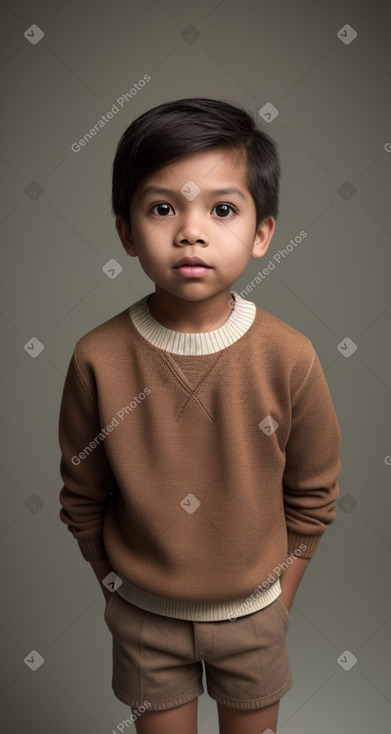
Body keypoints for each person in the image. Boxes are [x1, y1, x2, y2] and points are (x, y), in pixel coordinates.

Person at [58, 97, 342, 734]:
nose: (191, 230)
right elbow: (82, 496)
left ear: (262, 232)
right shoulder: (97, 359)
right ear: (126, 231)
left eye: (222, 209)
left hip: (256, 617)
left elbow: (314, 494)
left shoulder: (290, 357)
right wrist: (115, 590)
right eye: (163, 208)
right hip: (144, 621)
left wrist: (277, 602)